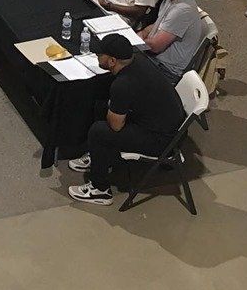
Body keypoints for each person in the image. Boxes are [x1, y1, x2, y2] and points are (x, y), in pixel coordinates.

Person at [67, 33, 185, 205]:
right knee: (101, 107)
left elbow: (115, 126)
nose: (97, 57)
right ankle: (98, 156)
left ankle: (100, 190)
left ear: (113, 61)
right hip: (166, 124)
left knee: (99, 132)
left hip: (162, 140)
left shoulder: (124, 84)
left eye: (100, 55)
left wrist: (112, 106)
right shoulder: (139, 61)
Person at [138, 0, 204, 84]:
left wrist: (136, 42)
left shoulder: (182, 10)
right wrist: (142, 33)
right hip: (155, 59)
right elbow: (157, 25)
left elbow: (156, 46)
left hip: (165, 69)